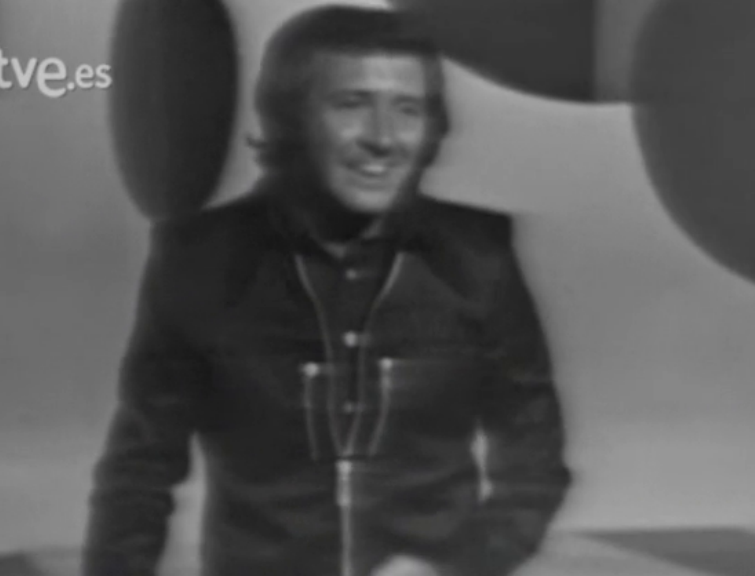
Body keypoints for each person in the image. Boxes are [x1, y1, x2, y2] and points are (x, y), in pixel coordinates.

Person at [82, 5, 571, 576]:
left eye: (408, 109)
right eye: (351, 104)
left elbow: (535, 468)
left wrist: (456, 570)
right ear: (291, 118)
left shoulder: (478, 259)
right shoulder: (200, 263)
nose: (383, 138)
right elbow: (139, 474)